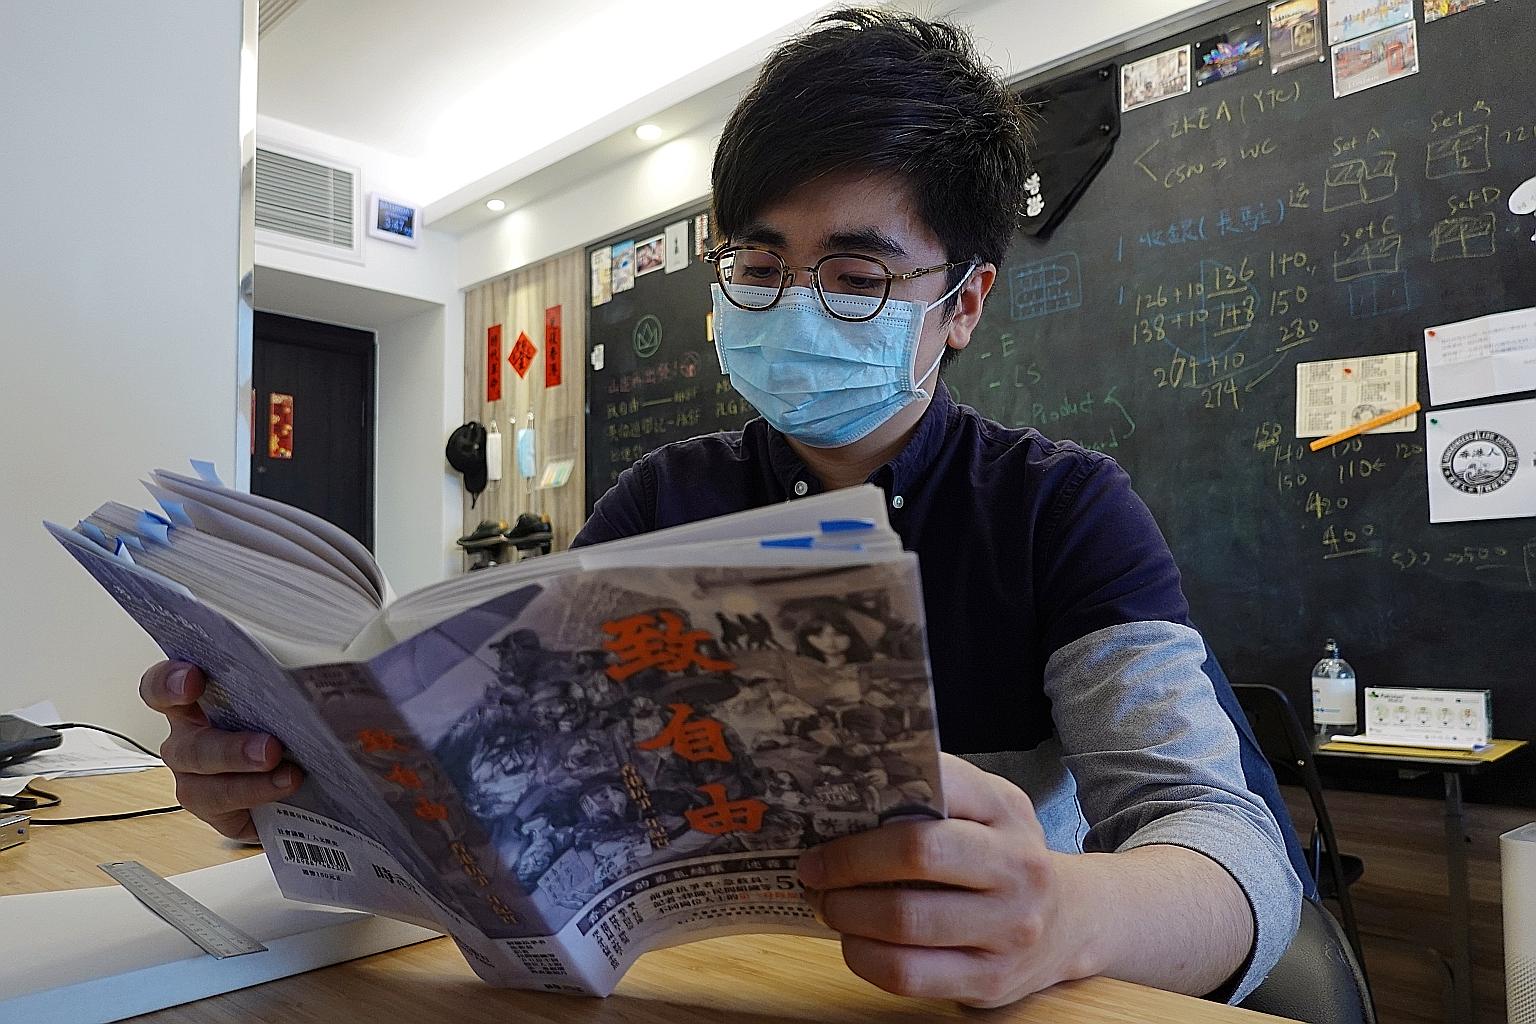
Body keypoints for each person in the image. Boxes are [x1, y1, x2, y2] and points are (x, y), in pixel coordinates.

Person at [138, 7, 1304, 1010]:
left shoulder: (1063, 510)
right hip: (697, 992)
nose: (794, 306)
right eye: (758, 265)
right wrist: (292, 794)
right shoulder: (665, 500)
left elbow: (1231, 848)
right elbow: (507, 787)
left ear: (963, 303)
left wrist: (1066, 913)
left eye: (856, 277)